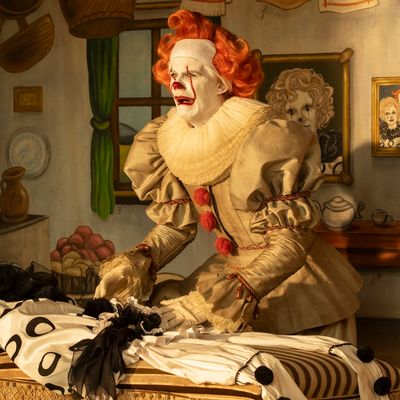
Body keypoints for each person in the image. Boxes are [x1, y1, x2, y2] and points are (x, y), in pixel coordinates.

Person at [94, 10, 362, 342]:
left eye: (192, 73)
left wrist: (219, 299)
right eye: (173, 74)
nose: (176, 83)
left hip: (287, 276)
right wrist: (137, 263)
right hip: (229, 266)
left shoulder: (264, 135)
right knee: (163, 307)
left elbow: (292, 243)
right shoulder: (167, 137)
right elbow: (177, 226)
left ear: (221, 82)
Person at [265, 68, 343, 174]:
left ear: (321, 110)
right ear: (282, 117)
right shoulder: (274, 155)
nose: (300, 117)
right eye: (291, 111)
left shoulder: (336, 146)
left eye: (307, 108)